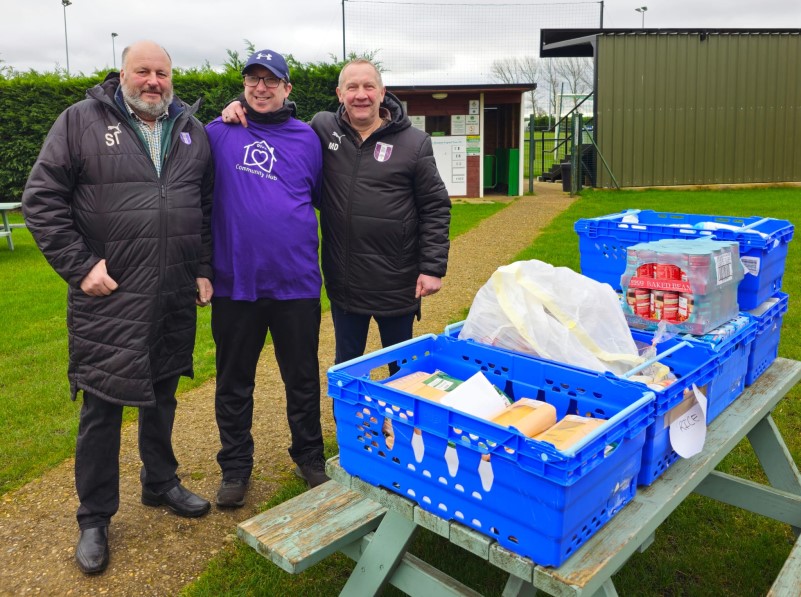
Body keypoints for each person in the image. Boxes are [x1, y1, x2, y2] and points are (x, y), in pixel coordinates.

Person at [22, 40, 214, 575]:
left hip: (174, 291)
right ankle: (95, 517)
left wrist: (203, 268)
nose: (153, 81)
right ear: (123, 74)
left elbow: (203, 207)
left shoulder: (189, 129)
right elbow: (41, 199)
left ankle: (160, 482)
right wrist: (81, 266)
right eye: (143, 71)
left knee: (164, 392)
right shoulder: (79, 121)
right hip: (109, 294)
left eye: (162, 73)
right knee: (102, 407)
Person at [222, 59, 451, 372]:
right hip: (346, 280)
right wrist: (237, 104)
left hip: (397, 280)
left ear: (383, 93)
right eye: (352, 87)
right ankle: (356, 421)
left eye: (368, 86)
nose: (361, 95)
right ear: (339, 93)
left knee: (403, 369)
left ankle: (403, 422)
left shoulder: (414, 143)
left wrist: (432, 267)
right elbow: (277, 115)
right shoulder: (321, 128)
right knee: (348, 367)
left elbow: (435, 205)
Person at [207, 49, 326, 507]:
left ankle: (309, 456)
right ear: (243, 85)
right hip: (235, 284)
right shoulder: (218, 132)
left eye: (270, 80)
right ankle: (235, 467)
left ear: (286, 88)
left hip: (296, 283)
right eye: (252, 79)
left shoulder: (307, 139)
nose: (260, 88)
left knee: (301, 377)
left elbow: (315, 195)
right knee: (234, 380)